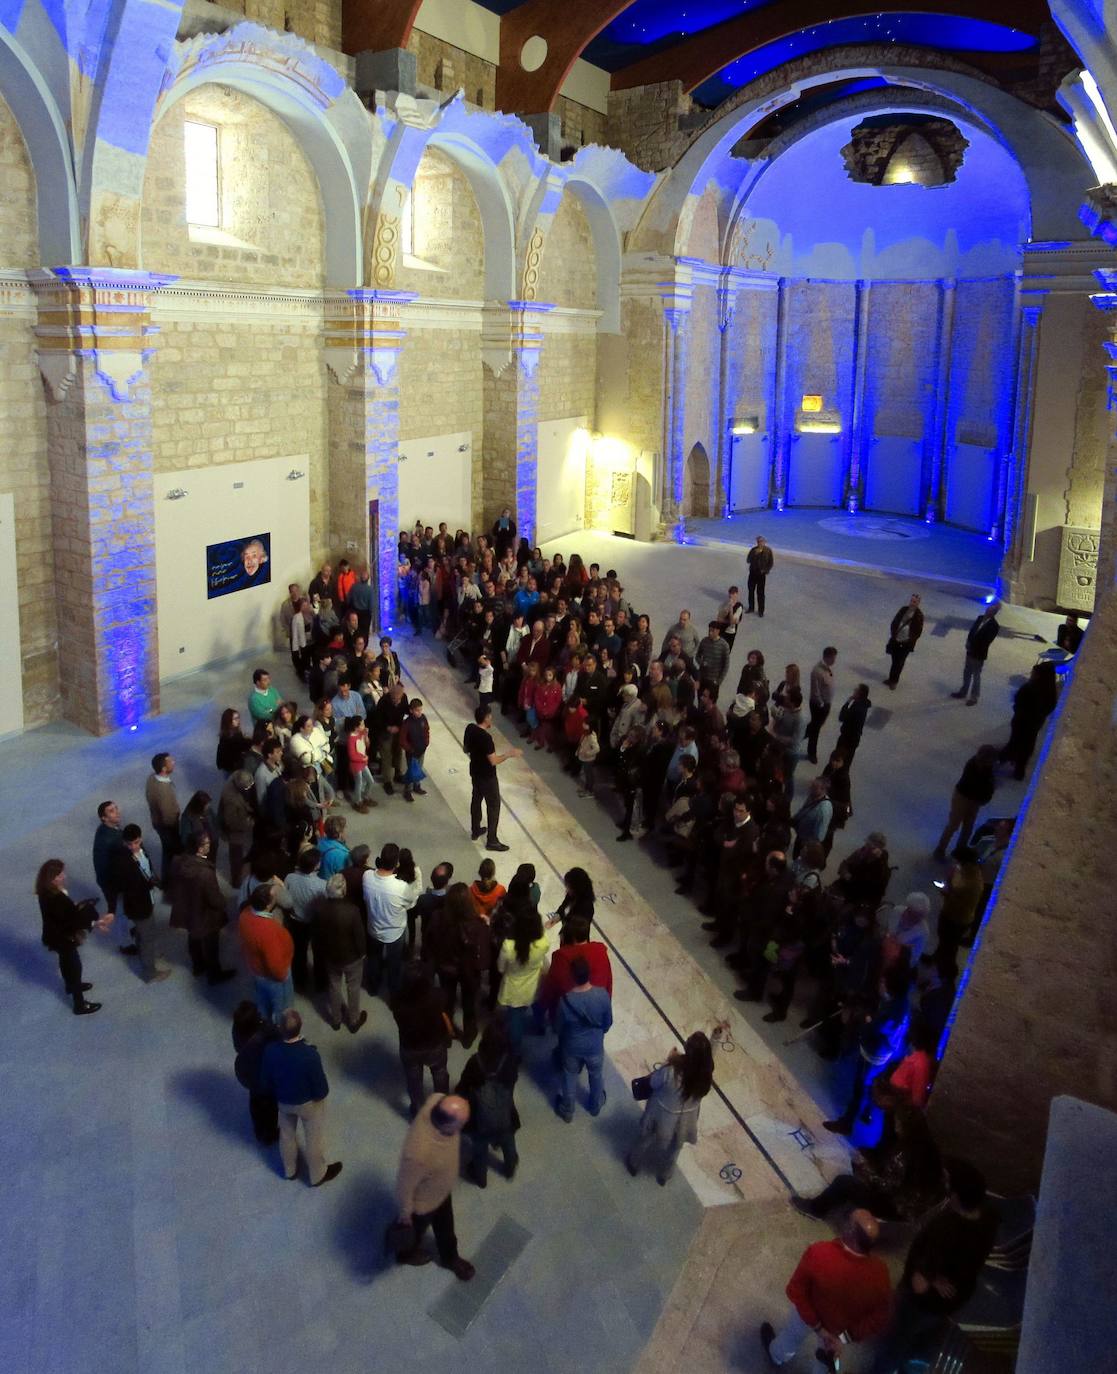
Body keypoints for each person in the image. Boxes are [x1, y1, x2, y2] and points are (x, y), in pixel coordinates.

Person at [868, 1160, 999, 1374]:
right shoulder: (989, 1218)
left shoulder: (945, 1231)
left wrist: (931, 1277)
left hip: (921, 1303)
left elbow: (919, 1285)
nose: (944, 1184)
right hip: (953, 1299)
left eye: (948, 1182)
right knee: (924, 1340)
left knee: (896, 1343)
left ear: (955, 1195)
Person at [760, 1209, 891, 1373]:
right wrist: (843, 1338)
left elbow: (796, 1292)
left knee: (791, 1337)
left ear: (850, 1231)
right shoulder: (881, 1274)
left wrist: (819, 1328)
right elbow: (878, 1318)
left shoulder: (819, 1253)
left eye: (847, 1221)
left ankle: (776, 1356)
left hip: (807, 1317)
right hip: (838, 1332)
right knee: (826, 1364)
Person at [394, 1093, 476, 1280]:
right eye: (461, 1125)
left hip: (440, 1190)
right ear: (447, 1125)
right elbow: (403, 1186)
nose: (463, 1128)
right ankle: (406, 1253)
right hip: (423, 1203)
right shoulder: (417, 1154)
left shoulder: (436, 1100)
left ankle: (450, 1258)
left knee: (446, 1226)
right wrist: (405, 1213)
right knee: (416, 1230)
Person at [258, 1009, 342, 1187]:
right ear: (300, 1027)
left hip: (283, 1101)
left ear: (280, 1028)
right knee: (314, 1138)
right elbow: (321, 1089)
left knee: (286, 1135)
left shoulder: (270, 1051)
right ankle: (317, 1175)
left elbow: (265, 1081)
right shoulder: (310, 1055)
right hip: (308, 1105)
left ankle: (290, 1170)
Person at [626, 1032, 714, 1185]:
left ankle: (634, 1163)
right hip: (686, 1120)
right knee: (675, 1149)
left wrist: (670, 1060)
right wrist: (716, 1040)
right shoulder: (705, 1076)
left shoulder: (671, 1071)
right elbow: (706, 1060)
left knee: (645, 1138)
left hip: (661, 1116)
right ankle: (664, 1175)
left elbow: (654, 1083)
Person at [36, 859, 112, 1015]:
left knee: (66, 962)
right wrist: (94, 923)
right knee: (74, 967)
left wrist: (73, 908)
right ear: (52, 878)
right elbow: (72, 921)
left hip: (55, 935)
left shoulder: (46, 892)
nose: (63, 876)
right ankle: (79, 1003)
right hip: (64, 937)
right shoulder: (57, 898)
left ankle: (70, 986)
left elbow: (64, 914)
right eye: (59, 874)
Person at [455, 1019, 521, 1187]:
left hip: (480, 1118)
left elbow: (463, 1086)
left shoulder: (475, 1062)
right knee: (508, 1140)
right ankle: (510, 1167)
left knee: (480, 1148)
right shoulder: (510, 1061)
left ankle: (480, 1178)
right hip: (505, 1113)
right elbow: (513, 1080)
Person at [169, 833, 236, 984]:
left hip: (188, 908)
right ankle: (214, 974)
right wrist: (223, 902)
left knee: (193, 936)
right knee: (211, 945)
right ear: (199, 849)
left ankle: (198, 965)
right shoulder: (205, 872)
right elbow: (215, 900)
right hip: (205, 914)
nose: (209, 846)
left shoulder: (178, 861)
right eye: (206, 844)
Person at [554, 955, 613, 1122]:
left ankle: (567, 1110)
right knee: (596, 1075)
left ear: (572, 976)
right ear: (589, 974)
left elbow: (558, 1027)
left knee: (569, 1076)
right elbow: (608, 1022)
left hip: (572, 1047)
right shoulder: (602, 995)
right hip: (594, 1046)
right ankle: (595, 1105)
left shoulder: (565, 1001)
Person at [112, 824, 172, 983]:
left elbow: (148, 871)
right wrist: (147, 885)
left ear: (141, 839)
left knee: (144, 933)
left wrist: (156, 882)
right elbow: (128, 886)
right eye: (129, 844)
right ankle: (149, 972)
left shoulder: (142, 850)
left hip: (146, 900)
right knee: (147, 936)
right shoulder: (122, 861)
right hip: (138, 905)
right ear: (124, 842)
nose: (133, 847)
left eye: (137, 842)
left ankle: (145, 954)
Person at [310, 873, 367, 1032]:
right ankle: (353, 1020)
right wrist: (362, 952)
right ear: (343, 890)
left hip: (330, 956)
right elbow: (359, 936)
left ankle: (336, 1019)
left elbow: (317, 934)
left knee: (334, 985)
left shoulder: (320, 909)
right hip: (352, 957)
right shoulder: (352, 910)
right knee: (353, 987)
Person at [463, 704, 521, 852]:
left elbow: (466, 749)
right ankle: (492, 840)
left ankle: (475, 829)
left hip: (475, 772)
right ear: (486, 718)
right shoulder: (486, 738)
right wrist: (509, 753)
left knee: (476, 799)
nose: (492, 718)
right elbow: (493, 761)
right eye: (490, 716)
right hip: (487, 777)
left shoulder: (470, 729)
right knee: (494, 805)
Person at [239, 882, 295, 1022]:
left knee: (262, 999)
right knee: (282, 1007)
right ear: (269, 905)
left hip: (256, 968)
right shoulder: (268, 930)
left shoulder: (245, 914)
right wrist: (283, 976)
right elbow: (276, 966)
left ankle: (262, 1020)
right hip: (274, 976)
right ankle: (280, 1031)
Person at [496, 906, 549, 1051]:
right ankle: (540, 1026)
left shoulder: (508, 946)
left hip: (514, 989)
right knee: (537, 1007)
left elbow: (501, 968)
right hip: (534, 983)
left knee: (515, 1022)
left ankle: (516, 1051)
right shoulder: (543, 943)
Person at [362, 844, 411, 998]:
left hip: (373, 928)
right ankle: (394, 993)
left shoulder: (367, 876)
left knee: (374, 959)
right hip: (394, 932)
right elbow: (409, 903)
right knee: (394, 964)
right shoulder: (401, 887)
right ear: (397, 864)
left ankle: (373, 986)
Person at [934, 745, 998, 859]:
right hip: (963, 797)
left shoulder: (988, 769)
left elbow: (988, 787)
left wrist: (984, 797)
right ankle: (940, 849)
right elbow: (976, 786)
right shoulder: (972, 766)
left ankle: (960, 849)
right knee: (954, 824)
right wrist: (983, 797)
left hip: (974, 800)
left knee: (968, 826)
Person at [999, 661, 1058, 779]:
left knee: (1015, 742)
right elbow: (1050, 707)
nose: (1032, 674)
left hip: (1022, 722)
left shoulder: (1031, 688)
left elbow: (1019, 701)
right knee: (1027, 745)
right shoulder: (1050, 691)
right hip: (1034, 724)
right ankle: (1019, 769)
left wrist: (1019, 710)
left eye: (1034, 673)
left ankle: (1004, 758)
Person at [232, 1001, 279, 1145]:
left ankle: (258, 1129)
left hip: (247, 1074)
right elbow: (278, 1036)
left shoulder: (237, 1030)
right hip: (265, 1077)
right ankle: (270, 1133)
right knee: (271, 1106)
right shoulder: (263, 1032)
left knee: (255, 1102)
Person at [92, 800, 129, 950]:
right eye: (112, 811)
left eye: (116, 808)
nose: (117, 812)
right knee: (120, 913)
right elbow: (107, 867)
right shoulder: (109, 838)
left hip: (112, 880)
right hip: (113, 883)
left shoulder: (108, 830)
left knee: (123, 911)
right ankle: (125, 944)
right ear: (104, 818)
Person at [952, 601, 1001, 704]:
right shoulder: (979, 618)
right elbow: (972, 631)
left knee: (976, 675)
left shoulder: (994, 626)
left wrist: (973, 646)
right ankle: (963, 691)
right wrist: (968, 642)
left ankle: (974, 697)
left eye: (991, 610)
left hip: (978, 654)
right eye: (988, 608)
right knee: (967, 672)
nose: (988, 610)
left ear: (994, 612)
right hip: (970, 651)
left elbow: (986, 640)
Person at [145, 751, 181, 886]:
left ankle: (167, 880)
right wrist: (176, 823)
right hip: (167, 827)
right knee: (171, 852)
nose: (174, 762)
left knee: (168, 851)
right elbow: (168, 816)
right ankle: (169, 882)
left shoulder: (151, 779)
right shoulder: (163, 790)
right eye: (170, 762)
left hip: (157, 822)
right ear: (164, 769)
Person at [805, 648, 837, 765]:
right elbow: (815, 691)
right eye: (833, 658)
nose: (834, 660)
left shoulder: (826, 668)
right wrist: (821, 704)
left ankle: (800, 735)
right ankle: (811, 752)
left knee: (815, 726)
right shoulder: (817, 671)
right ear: (827, 657)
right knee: (815, 729)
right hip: (819, 705)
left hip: (825, 703)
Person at [885, 594, 924, 688]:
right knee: (894, 660)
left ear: (918, 603)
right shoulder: (903, 609)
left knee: (900, 662)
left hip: (906, 644)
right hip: (896, 640)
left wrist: (909, 640)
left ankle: (894, 681)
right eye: (911, 601)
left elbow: (918, 632)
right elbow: (895, 622)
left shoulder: (919, 615)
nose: (912, 603)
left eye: (914, 602)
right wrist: (894, 634)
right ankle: (891, 678)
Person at [400, 697, 430, 803]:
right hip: (412, 753)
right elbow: (402, 740)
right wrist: (410, 749)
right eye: (417, 710)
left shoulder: (423, 718)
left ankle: (417, 786)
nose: (419, 712)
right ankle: (407, 790)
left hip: (421, 750)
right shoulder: (407, 723)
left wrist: (426, 742)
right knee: (411, 771)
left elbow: (427, 730)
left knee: (419, 769)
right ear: (411, 711)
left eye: (421, 710)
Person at [836, 683, 872, 767]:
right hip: (854, 738)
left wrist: (847, 702)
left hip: (847, 738)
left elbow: (841, 717)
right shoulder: (863, 704)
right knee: (847, 760)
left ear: (859, 694)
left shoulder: (856, 708)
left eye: (856, 690)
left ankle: (830, 776)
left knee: (838, 758)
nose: (854, 691)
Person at [695, 621, 731, 700]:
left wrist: (718, 681)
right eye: (709, 630)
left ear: (718, 631)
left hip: (714, 680)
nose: (710, 633)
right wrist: (701, 662)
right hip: (703, 677)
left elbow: (726, 665)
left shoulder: (724, 645)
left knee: (710, 701)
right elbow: (697, 656)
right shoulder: (704, 641)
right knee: (700, 699)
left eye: (712, 631)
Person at [746, 534, 774, 616]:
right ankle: (751, 608)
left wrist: (766, 570)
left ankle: (761, 611)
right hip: (752, 573)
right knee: (751, 591)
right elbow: (748, 560)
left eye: (761, 541)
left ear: (764, 542)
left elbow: (771, 563)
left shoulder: (768, 551)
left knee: (760, 593)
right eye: (758, 541)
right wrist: (754, 554)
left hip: (761, 574)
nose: (760, 543)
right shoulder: (753, 550)